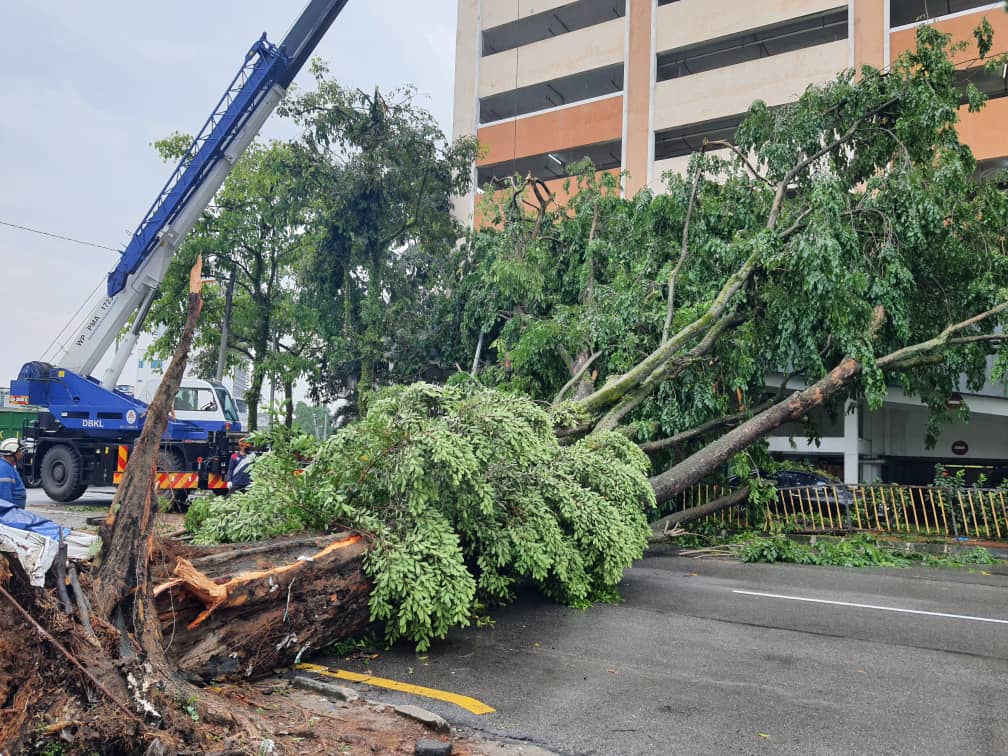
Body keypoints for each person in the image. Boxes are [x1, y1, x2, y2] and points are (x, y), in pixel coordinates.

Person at [0, 438, 27, 508]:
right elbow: (5, 499)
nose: (22, 454)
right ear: (12, 453)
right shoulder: (4, 469)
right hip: (10, 514)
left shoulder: (8, 467)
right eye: (20, 451)